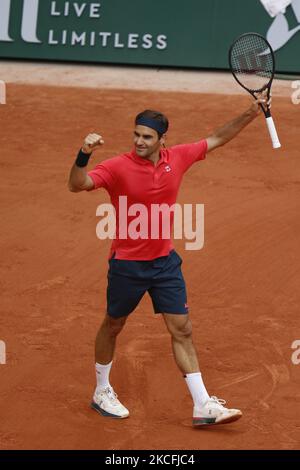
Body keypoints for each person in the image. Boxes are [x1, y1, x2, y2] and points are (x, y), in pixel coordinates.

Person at [68, 91, 270, 426]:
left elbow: (218, 136)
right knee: (114, 324)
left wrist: (251, 111)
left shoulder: (177, 158)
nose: (139, 141)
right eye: (136, 135)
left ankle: (202, 404)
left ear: (163, 139)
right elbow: (77, 185)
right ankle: (101, 390)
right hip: (128, 265)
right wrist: (83, 154)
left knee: (182, 329)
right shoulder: (117, 166)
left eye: (147, 137)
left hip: (164, 263)